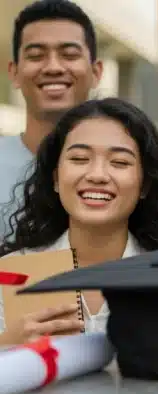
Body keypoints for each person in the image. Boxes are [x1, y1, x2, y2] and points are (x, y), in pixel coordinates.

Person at [0, 98, 158, 344]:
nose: (97, 175)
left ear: (145, 184)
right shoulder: (11, 273)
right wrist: (6, 344)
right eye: (80, 159)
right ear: (55, 178)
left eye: (119, 162)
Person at [0, 0, 103, 242]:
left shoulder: (126, 171)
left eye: (69, 55)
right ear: (14, 72)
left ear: (96, 72)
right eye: (36, 55)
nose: (53, 67)